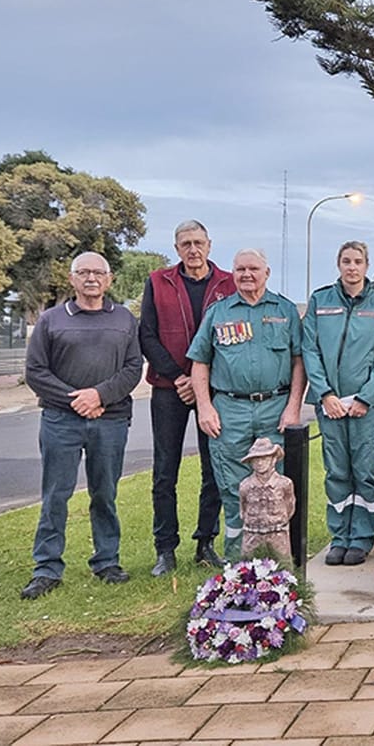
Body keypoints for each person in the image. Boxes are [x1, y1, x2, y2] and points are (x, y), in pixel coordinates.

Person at [21, 252, 142, 599]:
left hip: (111, 420)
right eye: (83, 272)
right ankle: (46, 568)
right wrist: (78, 399)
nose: (91, 278)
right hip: (61, 420)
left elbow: (133, 368)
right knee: (55, 495)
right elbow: (36, 372)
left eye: (98, 272)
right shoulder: (51, 320)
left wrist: (99, 396)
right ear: (72, 278)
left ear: (110, 279)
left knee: (105, 493)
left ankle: (106, 561)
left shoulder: (124, 320)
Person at [187, 248, 305, 561]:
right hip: (230, 410)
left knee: (275, 486)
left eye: (253, 269)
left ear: (267, 273)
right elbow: (200, 363)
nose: (247, 275)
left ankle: (277, 561)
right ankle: (237, 564)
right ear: (233, 273)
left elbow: (298, 361)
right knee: (232, 486)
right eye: (240, 269)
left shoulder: (285, 310)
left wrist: (294, 406)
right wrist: (205, 407)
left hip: (274, 408)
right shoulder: (219, 312)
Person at [139, 220, 234, 576]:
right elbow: (147, 335)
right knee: (165, 472)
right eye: (185, 244)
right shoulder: (158, 282)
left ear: (209, 245)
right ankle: (165, 548)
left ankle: (206, 542)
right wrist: (180, 377)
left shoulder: (227, 283)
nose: (193, 250)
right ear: (176, 248)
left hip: (214, 392)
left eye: (198, 243)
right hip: (169, 388)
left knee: (214, 469)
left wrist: (203, 384)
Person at [303, 241, 374, 566]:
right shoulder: (320, 301)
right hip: (330, 405)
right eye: (346, 261)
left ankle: (360, 538)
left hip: (366, 408)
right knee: (337, 473)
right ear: (338, 264)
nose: (352, 267)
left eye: (358, 261)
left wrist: (365, 398)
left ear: (367, 265)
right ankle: (339, 537)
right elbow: (310, 351)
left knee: (365, 473)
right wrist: (325, 394)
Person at [239, 438, 295, 562]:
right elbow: (243, 508)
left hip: (277, 533)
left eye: (264, 459)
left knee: (283, 564)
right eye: (256, 460)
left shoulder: (284, 484)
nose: (260, 463)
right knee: (247, 567)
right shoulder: (245, 486)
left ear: (273, 460)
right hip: (252, 533)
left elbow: (289, 506)